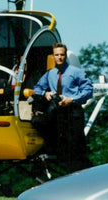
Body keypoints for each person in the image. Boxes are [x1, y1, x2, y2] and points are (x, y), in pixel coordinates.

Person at [32, 42, 93, 172]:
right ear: (53, 57)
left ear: (65, 56)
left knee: (76, 147)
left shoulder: (76, 72)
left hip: (73, 113)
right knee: (39, 124)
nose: (59, 57)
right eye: (57, 55)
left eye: (62, 55)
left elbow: (88, 90)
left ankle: (86, 174)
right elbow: (37, 88)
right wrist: (45, 93)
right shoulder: (50, 74)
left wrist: (72, 99)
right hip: (58, 113)